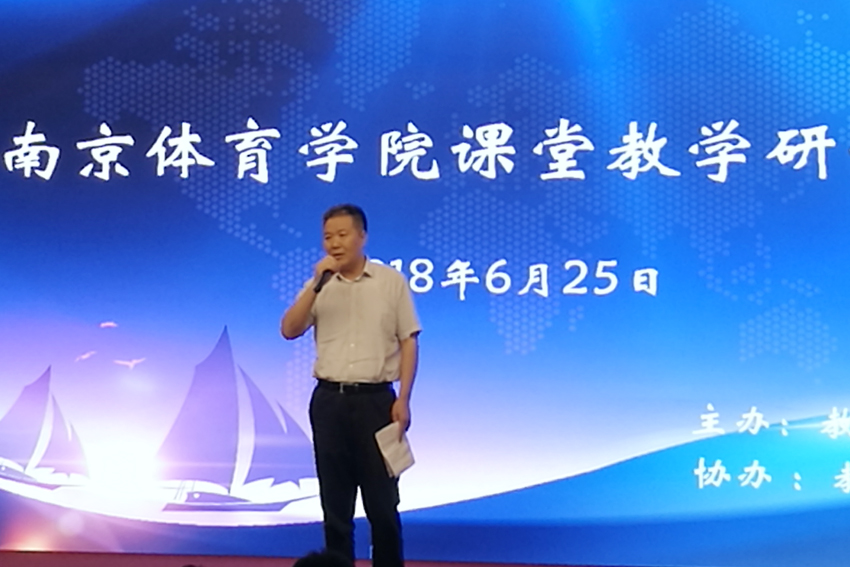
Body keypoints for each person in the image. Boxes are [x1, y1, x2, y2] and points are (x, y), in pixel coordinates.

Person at [281, 204, 420, 567]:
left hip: (377, 403)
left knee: (383, 506)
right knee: (335, 507)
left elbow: (408, 340)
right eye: (328, 237)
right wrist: (316, 286)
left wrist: (404, 398)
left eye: (343, 235)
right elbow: (289, 330)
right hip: (330, 403)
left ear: (362, 236)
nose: (335, 243)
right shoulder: (318, 286)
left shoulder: (390, 282)